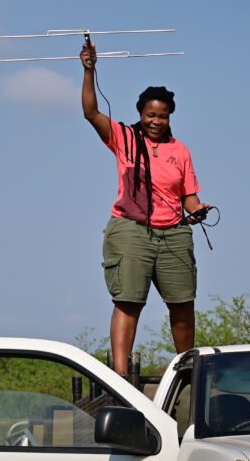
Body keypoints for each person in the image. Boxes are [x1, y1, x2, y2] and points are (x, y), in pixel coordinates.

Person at [80, 41, 210, 376]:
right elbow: (91, 112)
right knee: (128, 302)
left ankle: (188, 371)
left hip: (174, 233)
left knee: (183, 305)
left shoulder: (180, 151)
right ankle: (121, 377)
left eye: (162, 116)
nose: (156, 121)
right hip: (130, 230)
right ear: (141, 113)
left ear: (170, 117)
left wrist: (197, 210)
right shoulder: (123, 137)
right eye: (151, 115)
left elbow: (189, 196)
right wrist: (89, 70)